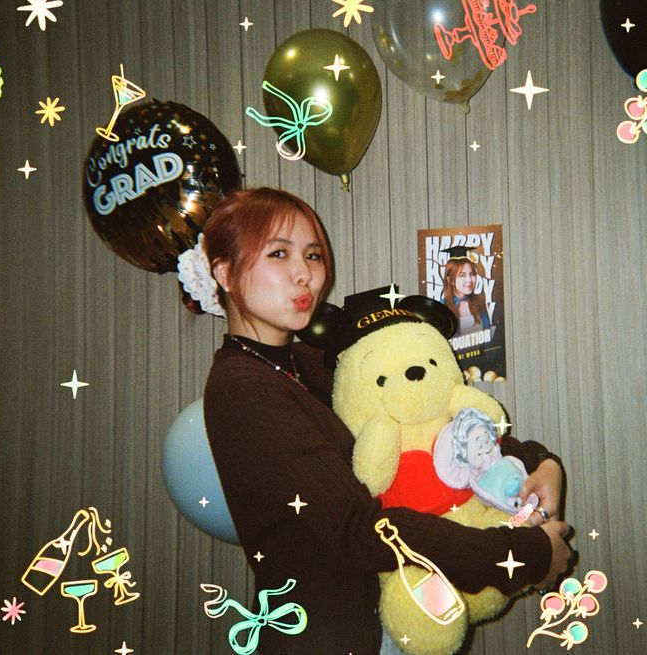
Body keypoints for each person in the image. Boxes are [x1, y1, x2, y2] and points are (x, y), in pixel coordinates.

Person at [179, 187, 573, 654]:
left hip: (379, 626)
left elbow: (434, 416)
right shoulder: (245, 386)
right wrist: (523, 555)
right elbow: (358, 529)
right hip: (324, 638)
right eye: (279, 254)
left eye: (312, 255)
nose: (305, 274)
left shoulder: (308, 361)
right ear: (224, 272)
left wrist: (540, 461)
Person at [441, 250, 491, 336]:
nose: (469, 280)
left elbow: (487, 333)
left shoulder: (479, 301)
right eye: (462, 275)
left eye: (472, 274)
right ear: (450, 280)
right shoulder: (442, 307)